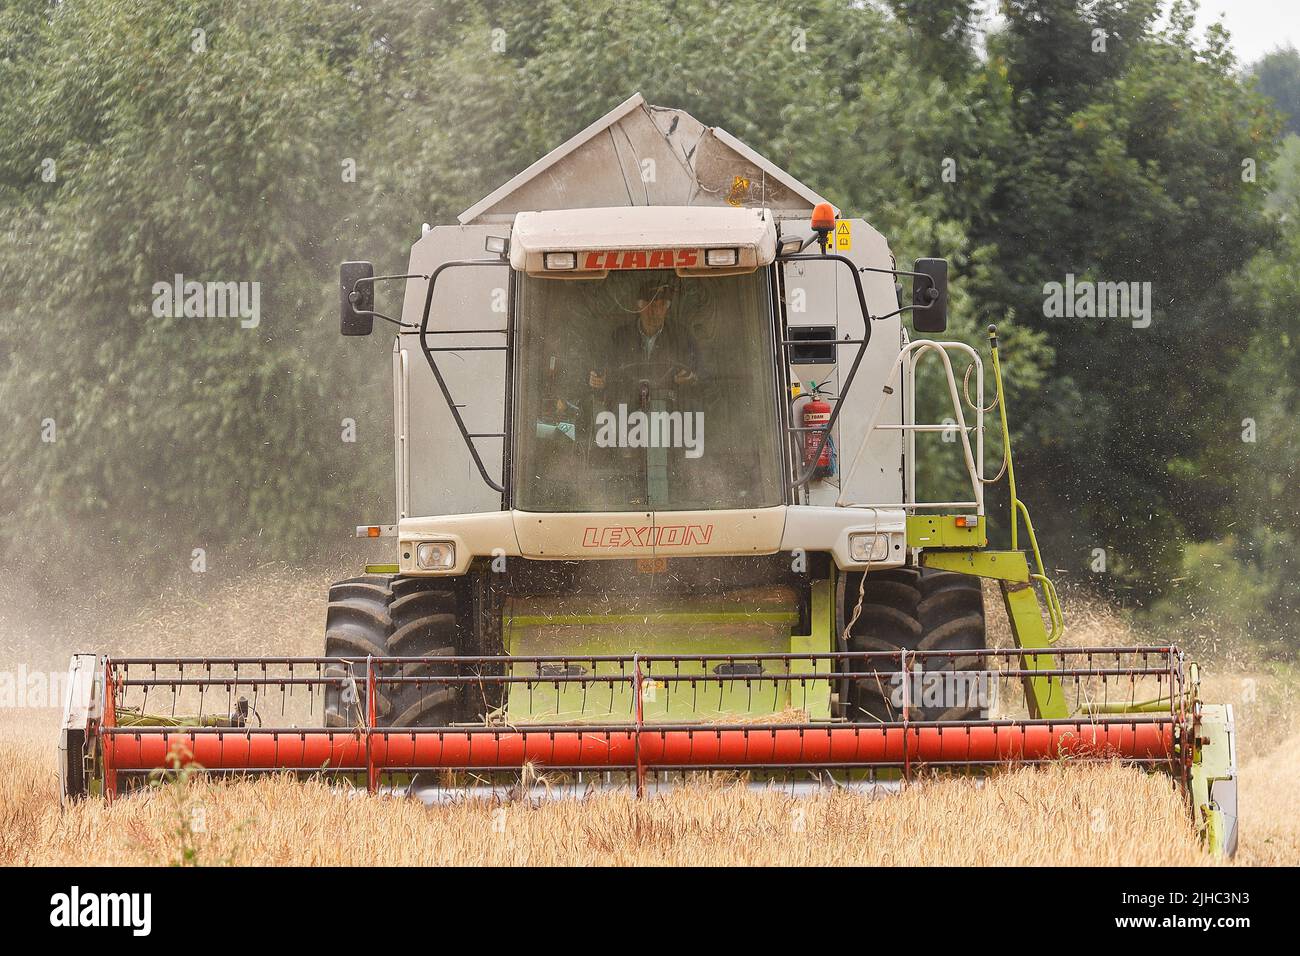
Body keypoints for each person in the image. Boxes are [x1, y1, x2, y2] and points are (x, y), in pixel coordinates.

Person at [588, 279, 699, 392]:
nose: (654, 312)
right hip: (626, 404)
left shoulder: (681, 337)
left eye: (659, 306)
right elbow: (602, 369)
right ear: (639, 307)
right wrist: (599, 379)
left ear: (666, 308)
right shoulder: (620, 337)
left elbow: (699, 371)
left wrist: (691, 377)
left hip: (671, 406)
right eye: (649, 305)